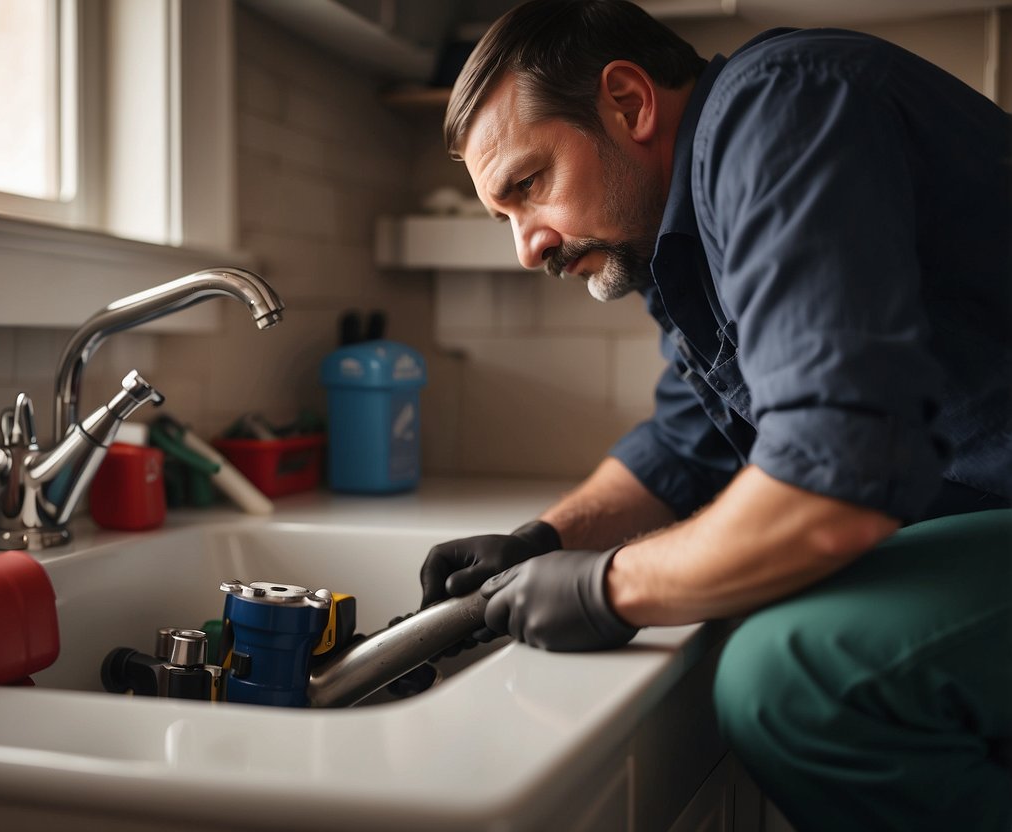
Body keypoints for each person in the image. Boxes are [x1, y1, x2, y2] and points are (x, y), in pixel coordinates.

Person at [418, 1, 1012, 829]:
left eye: (529, 185)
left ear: (627, 103)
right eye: (504, 216)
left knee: (796, 678)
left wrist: (607, 587)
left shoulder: (783, 110)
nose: (528, 247)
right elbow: (683, 443)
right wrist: (545, 540)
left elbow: (835, 477)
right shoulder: (687, 229)